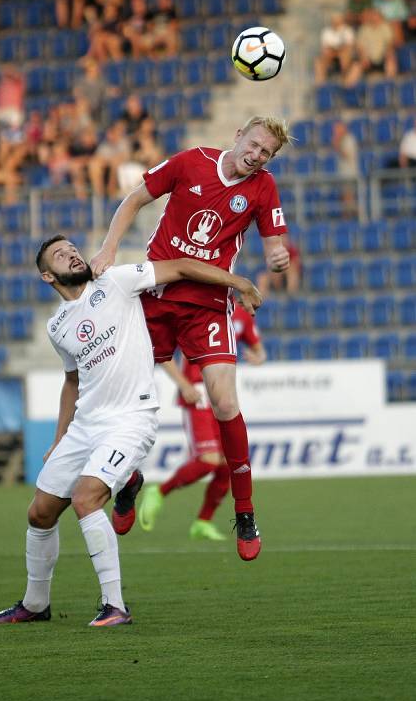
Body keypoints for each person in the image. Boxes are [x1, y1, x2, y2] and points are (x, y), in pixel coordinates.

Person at [0, 235, 261, 627]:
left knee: (85, 499)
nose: (72, 254)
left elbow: (179, 267)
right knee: (40, 514)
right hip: (85, 425)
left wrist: (237, 281)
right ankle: (35, 604)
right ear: (47, 276)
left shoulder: (117, 281)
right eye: (61, 254)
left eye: (73, 249)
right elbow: (72, 382)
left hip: (131, 418)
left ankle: (115, 606)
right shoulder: (57, 326)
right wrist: (60, 437)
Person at [91, 116, 293, 561]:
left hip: (208, 304)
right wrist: (108, 248)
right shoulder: (191, 162)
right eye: (255, 144)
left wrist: (277, 253)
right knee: (122, 395)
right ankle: (127, 482)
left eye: (266, 154)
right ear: (238, 134)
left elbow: (274, 239)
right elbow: (134, 200)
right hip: (156, 294)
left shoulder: (263, 187)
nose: (257, 156)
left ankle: (244, 512)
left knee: (225, 402)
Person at [139, 306, 266, 541]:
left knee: (227, 466)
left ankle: (203, 521)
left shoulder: (240, 315)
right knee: (208, 461)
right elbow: (162, 354)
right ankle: (158, 491)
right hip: (197, 395)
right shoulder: (195, 306)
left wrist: (256, 358)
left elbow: (259, 352)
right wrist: (184, 384)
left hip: (222, 397)